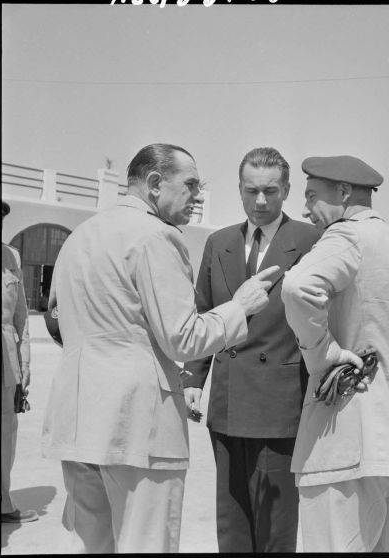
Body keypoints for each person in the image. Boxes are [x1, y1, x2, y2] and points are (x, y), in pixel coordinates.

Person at [41, 144, 278, 553]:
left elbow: (57, 324)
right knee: (145, 542)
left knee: (91, 543)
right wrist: (239, 307)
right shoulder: (156, 237)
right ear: (154, 184)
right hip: (137, 424)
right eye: (189, 185)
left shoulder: (81, 234)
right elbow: (183, 338)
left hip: (78, 417)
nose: (197, 196)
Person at [280, 155, 389, 552]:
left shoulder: (346, 236)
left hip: (346, 434)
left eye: (312, 196)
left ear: (344, 193)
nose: (306, 208)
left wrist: (325, 355)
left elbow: (298, 287)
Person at [184, 147, 320, 553]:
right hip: (227, 400)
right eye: (251, 191)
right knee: (232, 515)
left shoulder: (310, 241)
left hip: (281, 404)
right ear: (239, 190)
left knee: (276, 520)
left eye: (270, 191)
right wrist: (194, 377)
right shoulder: (219, 242)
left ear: (287, 191)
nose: (260, 201)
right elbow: (205, 311)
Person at [0, 200, 38, 524]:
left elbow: (22, 316)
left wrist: (25, 363)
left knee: (6, 433)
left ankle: (3, 503)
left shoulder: (12, 257)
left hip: (7, 360)